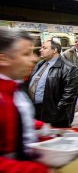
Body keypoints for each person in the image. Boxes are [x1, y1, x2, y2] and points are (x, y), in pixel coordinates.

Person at [0, 28, 50, 172]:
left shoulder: (15, 89)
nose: (34, 58)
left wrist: (46, 129)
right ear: (3, 59)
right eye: (26, 54)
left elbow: (16, 120)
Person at [28, 40, 78, 127]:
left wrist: (56, 111)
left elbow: (69, 95)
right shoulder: (40, 64)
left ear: (54, 50)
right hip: (35, 111)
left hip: (53, 114)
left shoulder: (69, 68)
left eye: (44, 48)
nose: (40, 50)